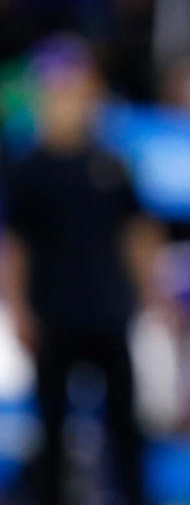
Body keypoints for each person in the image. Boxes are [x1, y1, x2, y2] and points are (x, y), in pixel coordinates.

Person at [0, 38, 162, 504]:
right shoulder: (28, 168)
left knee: (125, 424)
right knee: (50, 424)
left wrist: (152, 295)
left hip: (110, 313)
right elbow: (15, 246)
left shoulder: (111, 164)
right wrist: (17, 309)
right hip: (52, 315)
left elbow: (138, 233)